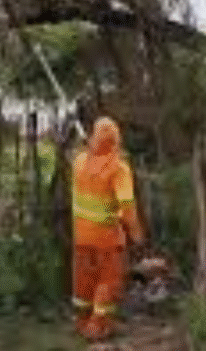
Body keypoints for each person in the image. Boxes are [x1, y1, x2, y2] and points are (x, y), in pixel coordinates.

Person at [71, 116, 146, 341]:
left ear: (94, 138)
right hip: (107, 239)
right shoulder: (119, 169)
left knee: (83, 281)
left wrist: (90, 150)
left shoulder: (79, 162)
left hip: (81, 236)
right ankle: (98, 327)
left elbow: (85, 158)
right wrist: (136, 234)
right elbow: (127, 205)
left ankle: (81, 322)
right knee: (109, 282)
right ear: (117, 141)